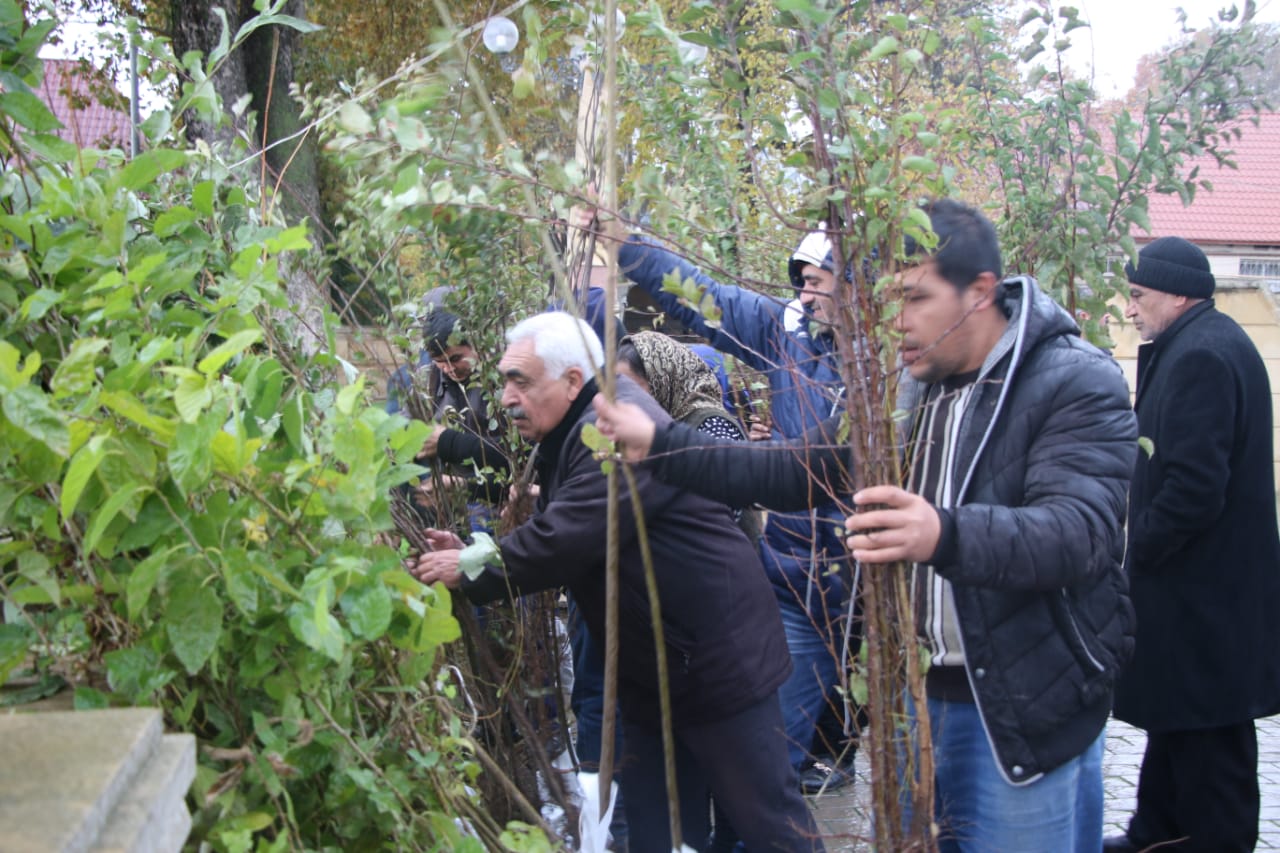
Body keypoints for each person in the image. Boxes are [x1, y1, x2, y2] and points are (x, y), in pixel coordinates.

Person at [595, 199, 1139, 851]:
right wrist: (664, 443)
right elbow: (798, 471)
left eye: (914, 297)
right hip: (914, 695)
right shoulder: (904, 389)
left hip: (1025, 707)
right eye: (883, 302)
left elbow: (1079, 534)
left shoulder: (1074, 380)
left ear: (981, 292)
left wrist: (941, 532)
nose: (893, 324)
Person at [411, 312, 823, 853]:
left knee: (768, 823)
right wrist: (473, 553)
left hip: (715, 663)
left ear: (572, 381)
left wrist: (470, 567)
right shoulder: (575, 424)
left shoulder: (621, 423)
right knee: (657, 829)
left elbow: (573, 531)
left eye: (522, 382)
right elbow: (558, 517)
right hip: (655, 668)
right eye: (506, 380)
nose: (507, 397)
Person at [615, 224, 861, 793]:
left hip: (876, 589)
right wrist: (625, 244)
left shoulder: (896, 361)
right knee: (765, 764)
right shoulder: (786, 334)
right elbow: (704, 299)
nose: (805, 295)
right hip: (798, 581)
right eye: (799, 282)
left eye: (818, 281)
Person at [1105, 238, 1280, 853]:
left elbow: (1195, 489)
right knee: (1177, 720)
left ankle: (1208, 842)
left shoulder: (1202, 355)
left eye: (1139, 296)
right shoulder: (1201, 342)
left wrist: (1140, 555)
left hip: (1206, 599)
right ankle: (1155, 832)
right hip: (1200, 597)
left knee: (1212, 741)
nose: (1132, 310)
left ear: (1178, 294)